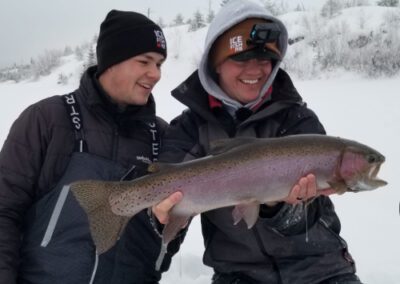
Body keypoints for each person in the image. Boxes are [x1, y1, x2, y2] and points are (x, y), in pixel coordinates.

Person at [155, 1, 363, 283]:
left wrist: (279, 207)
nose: (255, 70)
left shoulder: (297, 120)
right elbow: (165, 219)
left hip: (320, 269)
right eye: (241, 58)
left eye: (265, 59)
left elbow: (310, 217)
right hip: (237, 275)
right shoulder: (189, 129)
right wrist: (158, 220)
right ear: (214, 64)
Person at [0, 9, 179, 284]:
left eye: (159, 64)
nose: (155, 74)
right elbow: (4, 211)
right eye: (145, 61)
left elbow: (166, 242)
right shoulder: (48, 119)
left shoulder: (163, 136)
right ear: (111, 61)